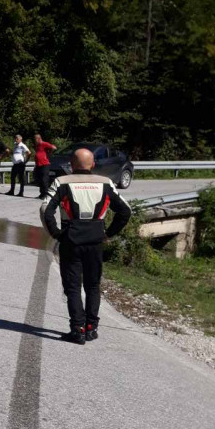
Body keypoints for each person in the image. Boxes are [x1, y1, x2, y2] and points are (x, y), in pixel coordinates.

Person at [40, 147, 131, 344]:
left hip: (71, 240)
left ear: (71, 165)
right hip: (96, 240)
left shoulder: (62, 182)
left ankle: (77, 329)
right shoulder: (106, 182)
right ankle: (91, 328)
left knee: (72, 286)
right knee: (92, 285)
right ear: (93, 164)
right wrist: (109, 234)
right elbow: (125, 211)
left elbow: (45, 209)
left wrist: (56, 234)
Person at [33, 133, 57, 200]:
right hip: (38, 165)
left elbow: (54, 147)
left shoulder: (44, 143)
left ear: (38, 138)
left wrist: (49, 153)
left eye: (35, 139)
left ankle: (46, 195)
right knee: (40, 180)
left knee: (44, 180)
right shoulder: (37, 146)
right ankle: (42, 194)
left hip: (45, 164)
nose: (34, 140)